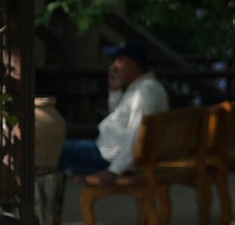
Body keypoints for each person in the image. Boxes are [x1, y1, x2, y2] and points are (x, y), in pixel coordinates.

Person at [58, 41, 168, 183]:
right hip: (106, 153)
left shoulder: (144, 92)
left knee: (49, 148)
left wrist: (114, 170)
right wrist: (115, 91)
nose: (114, 66)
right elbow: (120, 119)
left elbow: (136, 133)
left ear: (133, 65)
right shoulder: (143, 87)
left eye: (119, 60)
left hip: (107, 159)